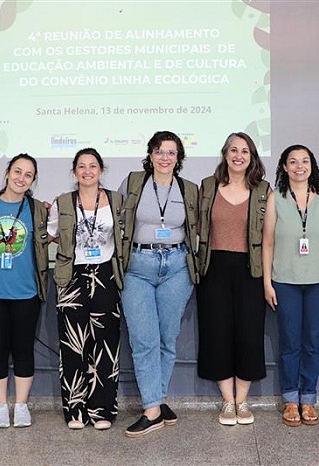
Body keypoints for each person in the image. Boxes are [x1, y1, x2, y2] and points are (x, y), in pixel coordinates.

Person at [118, 131, 199, 438]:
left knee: (167, 338)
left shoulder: (188, 189)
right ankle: (153, 409)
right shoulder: (133, 182)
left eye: (171, 152)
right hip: (139, 267)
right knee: (144, 340)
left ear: (178, 158)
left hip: (176, 267)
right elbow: (113, 213)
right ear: (150, 155)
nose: (165, 157)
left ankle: (157, 400)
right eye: (159, 151)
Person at [262, 144, 319, 427]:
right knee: (290, 343)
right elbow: (268, 242)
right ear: (284, 167)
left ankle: (309, 398)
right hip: (285, 281)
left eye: (304, 161)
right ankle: (291, 400)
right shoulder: (276, 199)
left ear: (312, 165)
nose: (299, 166)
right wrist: (267, 283)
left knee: (312, 343)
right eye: (292, 161)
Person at [47, 148, 125, 430]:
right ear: (74, 171)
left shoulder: (116, 200)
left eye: (93, 166)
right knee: (73, 345)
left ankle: (102, 409)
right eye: (82, 166)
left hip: (106, 275)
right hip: (72, 277)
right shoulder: (63, 202)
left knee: (105, 345)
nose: (87, 171)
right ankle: (75, 410)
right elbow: (51, 234)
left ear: (100, 170)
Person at [196, 132, 270, 426]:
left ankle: (242, 400)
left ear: (252, 157)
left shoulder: (263, 190)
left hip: (250, 268)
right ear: (225, 154)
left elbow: (269, 235)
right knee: (217, 332)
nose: (239, 155)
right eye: (234, 150)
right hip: (214, 267)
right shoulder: (208, 186)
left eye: (245, 151)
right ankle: (227, 401)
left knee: (249, 334)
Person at [0, 154, 49, 428]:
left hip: (26, 293)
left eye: (28, 175)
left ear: (32, 181)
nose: (21, 178)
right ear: (7, 172)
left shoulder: (37, 209)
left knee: (23, 349)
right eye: (17, 171)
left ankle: (21, 405)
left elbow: (49, 236)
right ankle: (0, 406)